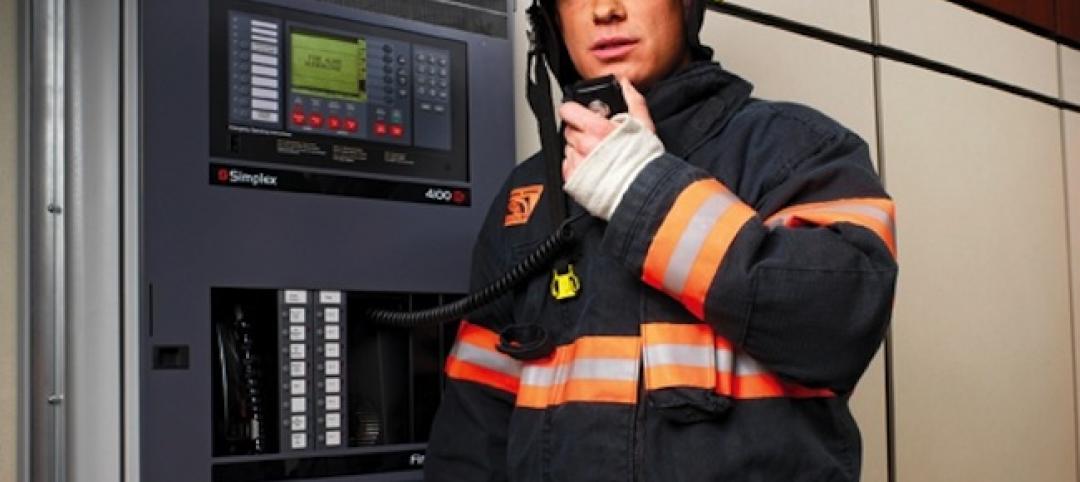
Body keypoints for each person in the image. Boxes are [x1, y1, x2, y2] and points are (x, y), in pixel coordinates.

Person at [425, 0, 898, 480]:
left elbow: (841, 319)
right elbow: (473, 429)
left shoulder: (797, 149)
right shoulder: (524, 197)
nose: (604, 10)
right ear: (550, 23)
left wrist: (643, 190)